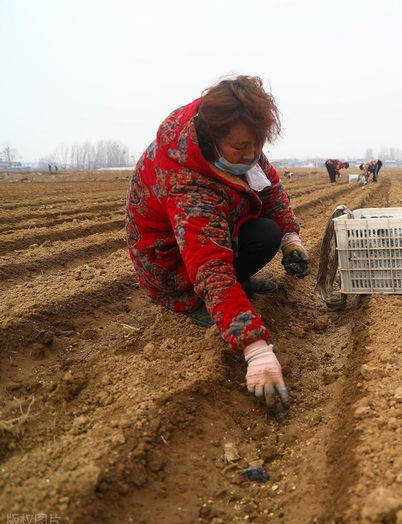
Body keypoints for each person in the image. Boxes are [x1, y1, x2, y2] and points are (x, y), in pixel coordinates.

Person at [125, 75, 312, 421]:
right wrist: (254, 347)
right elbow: (210, 264)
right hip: (171, 265)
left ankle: (237, 286)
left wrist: (290, 238)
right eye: (241, 147)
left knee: (267, 233)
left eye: (256, 144)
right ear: (212, 137)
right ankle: (189, 302)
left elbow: (270, 189)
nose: (251, 154)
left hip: (215, 232)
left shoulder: (240, 142)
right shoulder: (185, 179)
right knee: (218, 276)